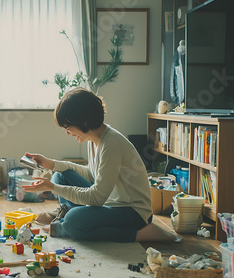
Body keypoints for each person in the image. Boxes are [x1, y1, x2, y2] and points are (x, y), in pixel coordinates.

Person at [22, 87, 180, 243]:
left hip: (132, 212)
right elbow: (91, 175)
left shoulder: (111, 144)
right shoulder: (93, 139)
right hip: (109, 201)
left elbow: (96, 198)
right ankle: (67, 216)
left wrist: (52, 188)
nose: (67, 132)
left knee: (72, 221)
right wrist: (50, 164)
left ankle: (139, 234)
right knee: (59, 175)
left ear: (83, 121)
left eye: (68, 127)